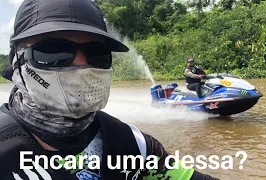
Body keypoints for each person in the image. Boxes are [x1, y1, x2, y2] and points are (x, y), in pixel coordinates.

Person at [0, 0, 219, 180]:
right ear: (18, 60)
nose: (80, 66)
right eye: (53, 51)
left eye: (96, 53)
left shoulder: (134, 145)